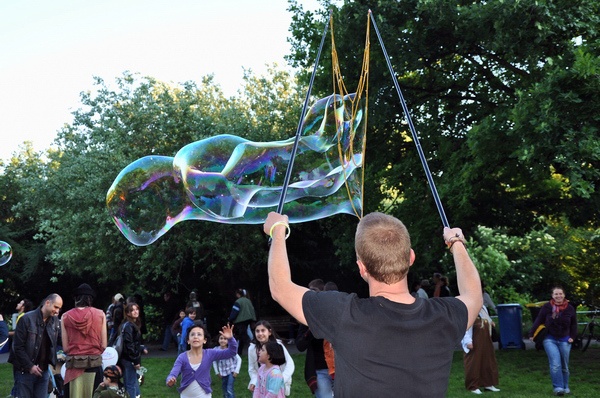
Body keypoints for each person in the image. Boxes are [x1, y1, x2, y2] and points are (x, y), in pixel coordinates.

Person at [263, 211, 482, 397]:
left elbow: (280, 288)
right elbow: (474, 295)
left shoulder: (343, 315)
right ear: (411, 257)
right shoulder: (444, 316)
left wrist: (278, 231)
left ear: (361, 268)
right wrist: (456, 242)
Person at [8, 293, 64, 398]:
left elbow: (62, 341)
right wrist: (30, 366)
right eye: (56, 307)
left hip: (44, 371)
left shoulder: (55, 321)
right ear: (47, 303)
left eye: (59, 308)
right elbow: (17, 347)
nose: (57, 311)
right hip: (24, 371)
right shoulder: (26, 319)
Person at [528, 286, 577, 396]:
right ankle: (558, 388)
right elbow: (538, 320)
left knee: (564, 365)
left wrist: (573, 337)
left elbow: (574, 324)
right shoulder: (546, 307)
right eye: (556, 294)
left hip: (565, 339)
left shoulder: (570, 308)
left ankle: (565, 386)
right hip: (550, 338)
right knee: (555, 364)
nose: (558, 296)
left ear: (564, 295)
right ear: (552, 296)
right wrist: (531, 333)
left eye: (560, 294)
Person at [166, 322, 238, 397]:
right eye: (192, 334)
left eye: (199, 334)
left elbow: (232, 352)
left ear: (204, 340)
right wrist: (170, 379)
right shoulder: (182, 357)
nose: (195, 337)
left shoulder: (210, 353)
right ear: (188, 340)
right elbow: (173, 373)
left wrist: (230, 339)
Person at [61, 283, 108, 397]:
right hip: (94, 366)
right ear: (90, 298)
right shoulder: (100, 314)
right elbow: (104, 345)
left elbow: (66, 348)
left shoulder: (65, 316)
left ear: (76, 298)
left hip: (73, 367)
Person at [295, 279, 333, 397]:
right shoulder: (306, 317)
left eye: (314, 290)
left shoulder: (333, 312)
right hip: (319, 370)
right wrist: (311, 327)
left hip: (339, 368)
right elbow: (300, 346)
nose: (310, 294)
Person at [248, 321, 295, 396]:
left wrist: (282, 379)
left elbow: (290, 364)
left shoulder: (278, 345)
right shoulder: (252, 348)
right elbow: (252, 368)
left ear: (269, 332)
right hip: (261, 384)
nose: (260, 333)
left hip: (277, 382)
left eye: (263, 330)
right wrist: (254, 381)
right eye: (257, 331)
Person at [461, 306, 500, 394]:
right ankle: (473, 386)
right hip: (474, 339)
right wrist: (467, 341)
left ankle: (488, 384)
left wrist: (490, 322)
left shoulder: (483, 308)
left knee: (488, 361)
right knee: (474, 363)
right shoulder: (468, 307)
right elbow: (464, 326)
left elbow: (486, 318)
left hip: (485, 339)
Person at [118, 302, 148, 398]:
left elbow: (134, 343)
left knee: (133, 382)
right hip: (128, 359)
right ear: (128, 313)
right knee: (130, 384)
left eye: (136, 309)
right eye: (132, 310)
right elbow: (129, 345)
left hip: (128, 358)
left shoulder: (131, 324)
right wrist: (135, 361)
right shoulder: (129, 326)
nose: (135, 312)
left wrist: (141, 347)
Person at [8, 298, 34, 398]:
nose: (18, 304)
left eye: (20, 303)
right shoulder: (22, 316)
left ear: (23, 307)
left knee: (18, 376)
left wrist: (6, 333)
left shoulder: (22, 317)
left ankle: (16, 394)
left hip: (18, 353)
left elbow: (17, 333)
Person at [212, 333, 242, 398]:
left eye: (225, 339)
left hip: (231, 371)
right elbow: (214, 361)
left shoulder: (231, 349)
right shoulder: (216, 350)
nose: (223, 340)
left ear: (228, 341)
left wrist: (236, 371)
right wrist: (217, 372)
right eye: (221, 338)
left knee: (229, 388)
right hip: (223, 373)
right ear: (218, 340)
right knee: (224, 388)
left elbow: (239, 359)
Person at [228, 288, 256, 356]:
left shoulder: (238, 302)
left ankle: (252, 346)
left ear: (238, 294)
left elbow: (235, 312)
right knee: (241, 336)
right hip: (249, 320)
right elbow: (252, 310)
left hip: (240, 321)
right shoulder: (248, 301)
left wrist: (230, 319)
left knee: (243, 336)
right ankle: (240, 352)